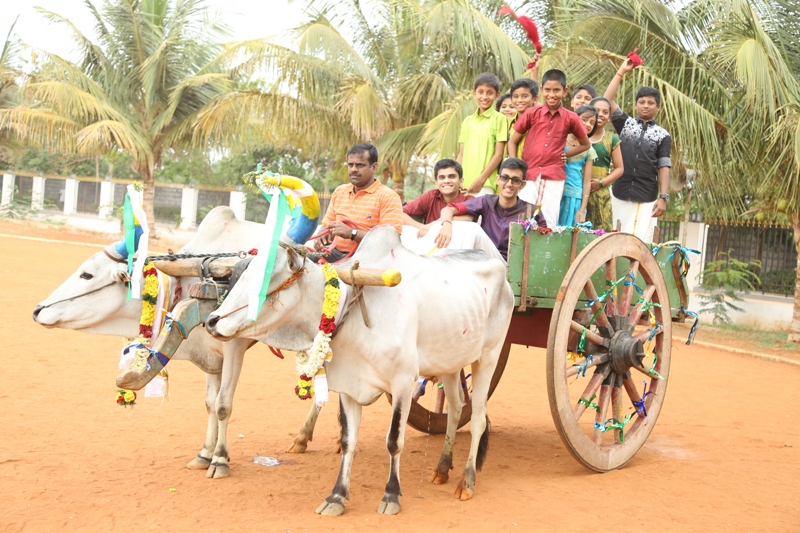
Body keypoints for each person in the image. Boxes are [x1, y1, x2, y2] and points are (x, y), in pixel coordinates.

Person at [508, 69, 591, 227]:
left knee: (548, 220)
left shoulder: (571, 117)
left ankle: (544, 252)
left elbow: (585, 144)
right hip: (529, 174)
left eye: (556, 90)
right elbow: (513, 142)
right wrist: (516, 167)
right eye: (547, 90)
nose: (551, 94)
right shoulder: (532, 113)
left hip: (553, 175)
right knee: (522, 219)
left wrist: (567, 155)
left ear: (565, 91)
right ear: (541, 90)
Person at [603, 58, 672, 242]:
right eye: (642, 102)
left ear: (658, 107)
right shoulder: (625, 124)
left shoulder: (662, 135)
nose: (646, 105)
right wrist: (621, 72)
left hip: (647, 196)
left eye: (650, 103)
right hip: (620, 191)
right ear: (636, 105)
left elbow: (664, 166)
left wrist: (663, 197)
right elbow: (606, 101)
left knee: (640, 242)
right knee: (614, 237)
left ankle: (633, 272)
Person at [434, 158, 547, 261]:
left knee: (473, 229)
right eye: (505, 178)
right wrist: (447, 224)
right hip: (485, 259)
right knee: (465, 227)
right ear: (498, 179)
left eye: (515, 180)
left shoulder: (532, 211)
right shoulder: (487, 201)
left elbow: (545, 242)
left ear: (522, 184)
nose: (509, 184)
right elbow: (449, 209)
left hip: (511, 266)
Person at [313, 143, 403, 262]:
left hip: (368, 260)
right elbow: (326, 225)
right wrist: (321, 238)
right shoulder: (340, 192)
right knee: (297, 262)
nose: (354, 169)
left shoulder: (388, 197)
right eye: (351, 165)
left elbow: (389, 242)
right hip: (333, 254)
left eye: (360, 165)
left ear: (374, 167)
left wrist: (352, 233)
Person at [457, 73, 508, 195]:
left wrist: (480, 180)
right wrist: (457, 178)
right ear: (474, 94)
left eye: (489, 92)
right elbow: (461, 154)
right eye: (480, 92)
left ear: (497, 95)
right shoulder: (467, 121)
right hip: (464, 184)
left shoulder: (500, 119)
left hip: (486, 184)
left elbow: (499, 154)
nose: (484, 96)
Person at [401, 159, 472, 237]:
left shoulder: (469, 200)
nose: (447, 181)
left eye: (451, 177)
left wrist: (433, 225)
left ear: (461, 181)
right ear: (436, 183)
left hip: (460, 244)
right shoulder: (431, 196)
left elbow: (469, 218)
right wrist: (422, 227)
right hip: (430, 242)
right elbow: (399, 214)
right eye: (442, 177)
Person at [585, 96, 624, 230]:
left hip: (601, 194)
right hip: (577, 190)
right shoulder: (578, 136)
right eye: (597, 110)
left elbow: (619, 168)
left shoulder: (612, 139)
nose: (601, 114)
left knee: (600, 232)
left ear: (609, 116)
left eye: (605, 112)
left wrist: (601, 182)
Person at [559, 105, 597, 226]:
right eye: (584, 120)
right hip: (556, 192)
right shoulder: (560, 139)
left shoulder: (589, 150)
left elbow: (587, 182)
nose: (588, 124)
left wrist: (582, 209)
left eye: (592, 122)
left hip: (574, 197)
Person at [507, 76, 540, 158]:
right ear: (511, 99)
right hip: (514, 167)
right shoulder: (508, 123)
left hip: (533, 168)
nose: (519, 100)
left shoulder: (540, 121)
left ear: (535, 99)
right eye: (515, 96)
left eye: (524, 96)